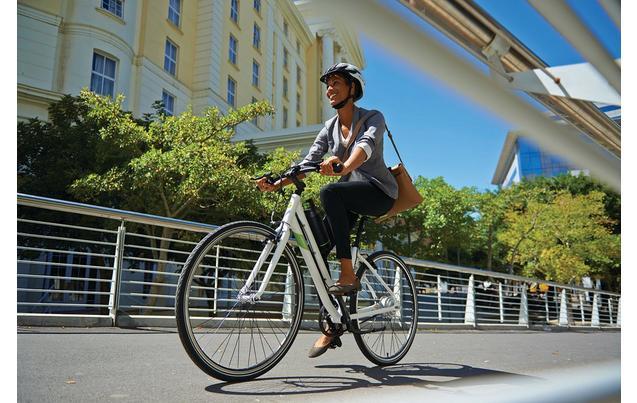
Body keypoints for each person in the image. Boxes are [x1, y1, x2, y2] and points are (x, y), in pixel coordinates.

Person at [256, 62, 398, 358]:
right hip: (347, 197)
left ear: (353, 88)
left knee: (330, 190)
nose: (330, 89)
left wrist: (344, 166)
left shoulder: (373, 117)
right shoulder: (329, 127)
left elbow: (367, 145)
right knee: (318, 251)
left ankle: (348, 274)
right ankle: (333, 324)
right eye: (328, 84)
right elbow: (309, 160)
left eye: (336, 83)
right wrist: (279, 181)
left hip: (378, 192)